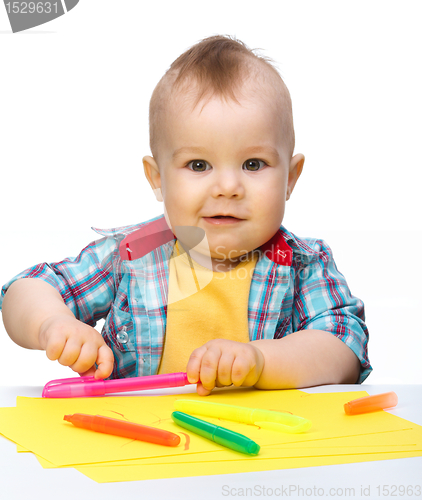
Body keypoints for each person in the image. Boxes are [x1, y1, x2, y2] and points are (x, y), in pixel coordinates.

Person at [0, 35, 371, 396]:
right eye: (198, 164)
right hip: (141, 446)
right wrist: (53, 323)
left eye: (253, 164)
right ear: (158, 178)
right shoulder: (132, 255)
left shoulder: (305, 265)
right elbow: (27, 287)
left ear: (290, 178)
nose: (227, 187)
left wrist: (260, 361)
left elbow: (343, 347)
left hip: (260, 448)